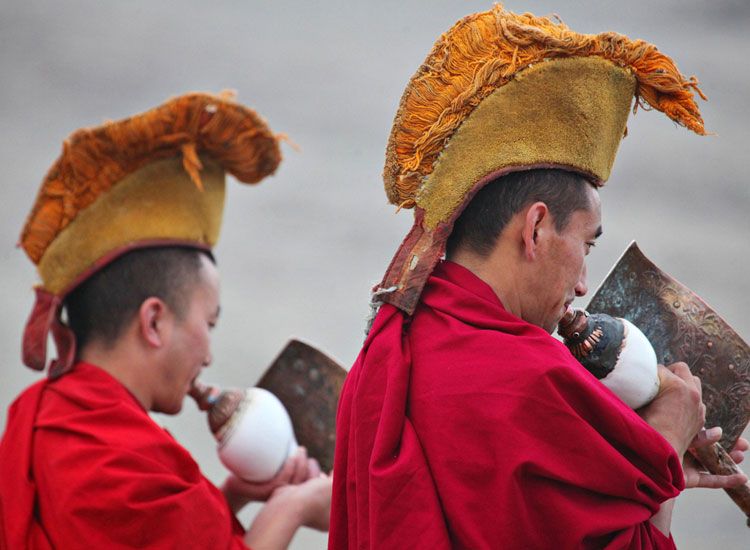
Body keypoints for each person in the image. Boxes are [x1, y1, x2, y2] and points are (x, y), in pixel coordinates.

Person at [330, 7, 748, 549]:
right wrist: (666, 438)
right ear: (536, 228)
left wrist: (642, 479)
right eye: (587, 244)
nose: (581, 287)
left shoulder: (382, 354)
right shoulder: (533, 381)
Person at [0, 92, 331, 549]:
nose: (209, 353)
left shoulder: (51, 413)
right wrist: (293, 507)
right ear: (154, 322)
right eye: (209, 324)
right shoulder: (116, 459)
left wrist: (235, 495)